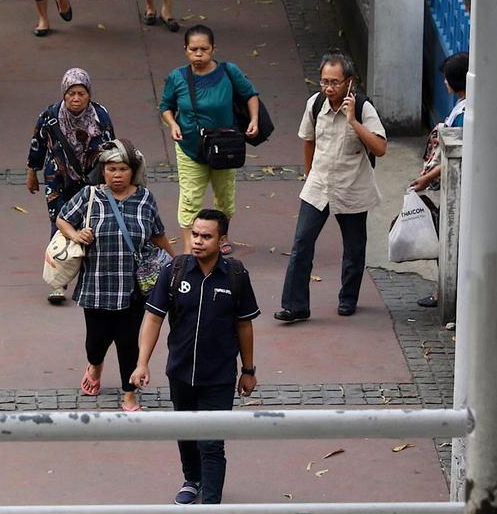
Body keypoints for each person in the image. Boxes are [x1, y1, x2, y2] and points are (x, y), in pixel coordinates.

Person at [131, 209, 259, 514]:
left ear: (222, 240)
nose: (198, 242)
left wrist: (249, 370)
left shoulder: (236, 276)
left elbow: (245, 325)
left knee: (212, 443)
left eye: (206, 236)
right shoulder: (173, 271)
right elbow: (153, 317)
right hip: (180, 372)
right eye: (195, 235)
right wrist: (142, 362)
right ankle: (192, 479)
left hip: (219, 378)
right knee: (186, 433)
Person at [57, 139, 176, 411]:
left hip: (134, 286)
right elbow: (63, 218)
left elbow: (157, 234)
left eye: (122, 169)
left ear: (133, 171)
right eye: (111, 169)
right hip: (96, 285)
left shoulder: (145, 198)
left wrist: (175, 261)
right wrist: (77, 234)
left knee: (128, 343)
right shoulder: (89, 196)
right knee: (95, 343)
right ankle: (95, 367)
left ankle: (129, 394)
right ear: (103, 171)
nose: (117, 175)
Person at [273, 52, 387, 322]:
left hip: (352, 186)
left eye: (335, 82)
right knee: (302, 243)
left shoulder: (363, 107)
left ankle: (348, 299)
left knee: (354, 247)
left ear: (348, 82)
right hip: (319, 186)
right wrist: (309, 173)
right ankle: (295, 305)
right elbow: (308, 140)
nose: (329, 88)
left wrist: (354, 122)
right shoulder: (315, 103)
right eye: (324, 81)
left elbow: (380, 148)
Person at [160, 25, 260, 253]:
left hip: (225, 147)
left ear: (214, 49)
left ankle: (220, 236)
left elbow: (250, 94)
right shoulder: (178, 77)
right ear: (185, 50)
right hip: (190, 147)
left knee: (225, 197)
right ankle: (189, 246)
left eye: (204, 49)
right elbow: (166, 106)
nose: (198, 54)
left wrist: (254, 119)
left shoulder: (228, 71)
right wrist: (173, 124)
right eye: (193, 49)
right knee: (190, 198)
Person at [27, 68, 116, 304]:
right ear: (63, 95)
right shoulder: (50, 116)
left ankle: (92, 276)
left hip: (91, 180)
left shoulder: (101, 115)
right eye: (71, 94)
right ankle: (59, 281)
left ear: (89, 94)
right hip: (58, 179)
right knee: (59, 223)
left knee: (91, 225)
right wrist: (31, 172)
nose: (76, 99)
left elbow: (111, 149)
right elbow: (37, 144)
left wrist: (111, 178)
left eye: (81, 93)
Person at [410, 52, 468, 308]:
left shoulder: (465, 113)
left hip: (460, 190)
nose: (444, 83)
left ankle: (446, 296)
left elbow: (456, 157)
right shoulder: (468, 106)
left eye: (446, 78)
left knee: (450, 241)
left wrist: (427, 178)